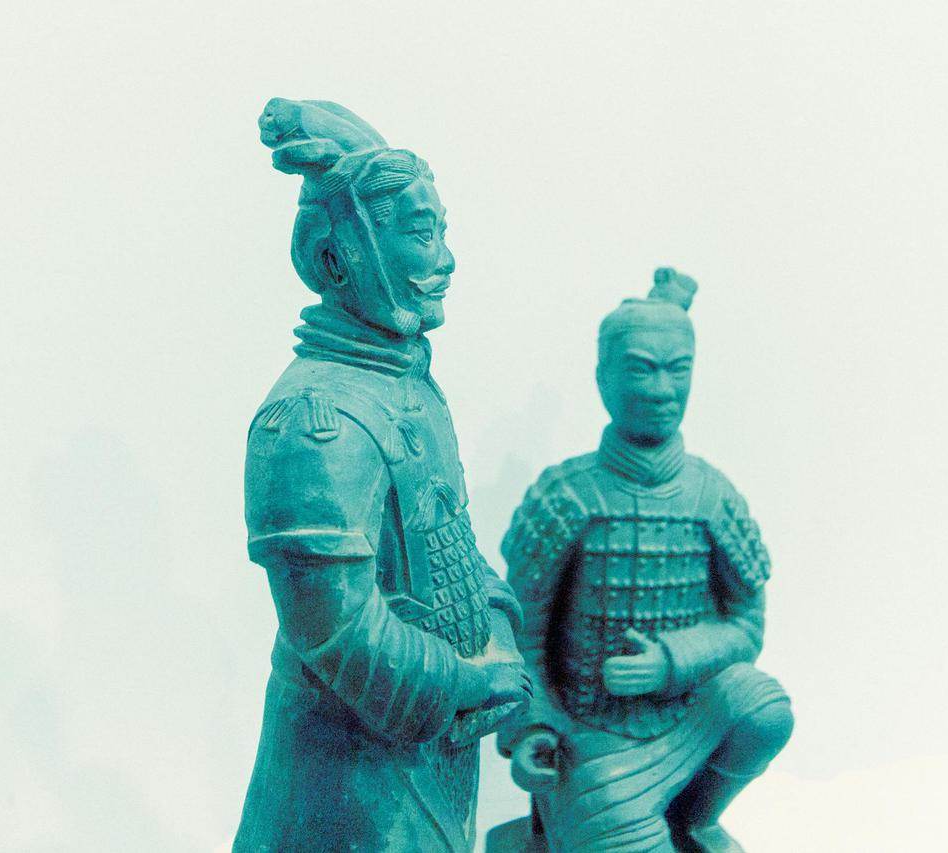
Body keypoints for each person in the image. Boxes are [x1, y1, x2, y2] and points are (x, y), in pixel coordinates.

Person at [234, 98, 530, 852]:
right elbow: (335, 632)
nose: (447, 258)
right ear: (337, 260)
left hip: (426, 750)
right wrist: (464, 682)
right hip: (348, 773)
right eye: (421, 232)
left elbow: (452, 546)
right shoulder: (311, 419)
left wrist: (498, 631)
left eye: (442, 230)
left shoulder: (411, 389)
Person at [494, 269, 792, 853]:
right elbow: (517, 632)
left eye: (678, 368)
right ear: (602, 376)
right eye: (640, 367)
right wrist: (532, 725)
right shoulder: (566, 495)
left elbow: (747, 625)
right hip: (592, 734)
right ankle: (582, 820)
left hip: (691, 717)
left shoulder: (712, 495)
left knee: (765, 708)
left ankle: (695, 818)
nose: (661, 389)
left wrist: (672, 661)